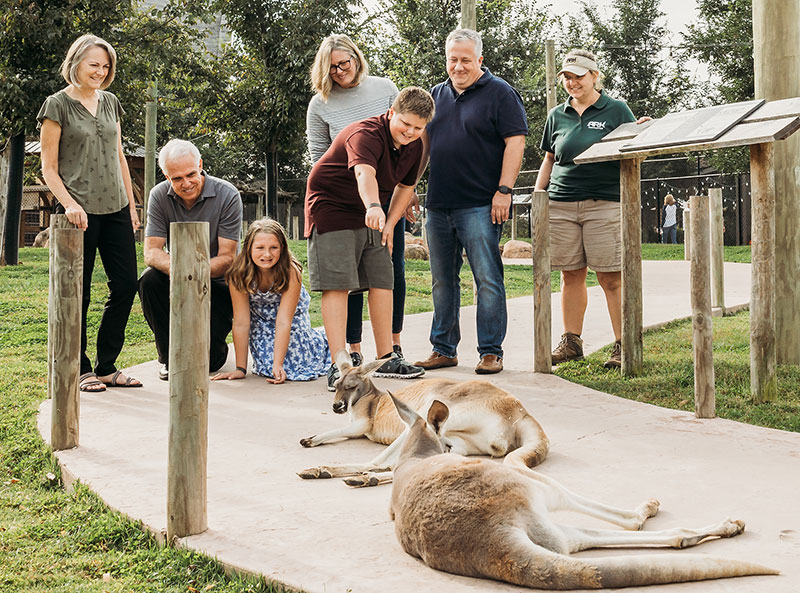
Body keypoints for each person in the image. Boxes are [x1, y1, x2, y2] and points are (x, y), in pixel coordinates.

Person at [304, 86, 434, 391]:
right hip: (332, 206)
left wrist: (389, 223)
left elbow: (405, 187)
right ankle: (339, 364)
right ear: (391, 113)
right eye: (405, 124)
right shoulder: (365, 134)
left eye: (418, 128)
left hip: (372, 211)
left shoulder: (415, 144)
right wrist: (374, 206)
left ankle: (387, 356)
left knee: (382, 279)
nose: (410, 132)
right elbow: (365, 174)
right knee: (338, 284)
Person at [415, 28, 528, 375]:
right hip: (438, 205)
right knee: (442, 280)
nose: (459, 66)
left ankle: (491, 351)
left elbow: (516, 142)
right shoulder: (435, 96)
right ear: (446, 60)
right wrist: (410, 190)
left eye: (466, 59)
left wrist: (504, 191)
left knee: (487, 279)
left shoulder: (500, 93)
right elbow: (423, 148)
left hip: (481, 203)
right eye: (453, 59)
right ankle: (443, 348)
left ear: (480, 59)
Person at [38, 34, 142, 392]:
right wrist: (69, 204)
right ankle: (81, 367)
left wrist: (131, 206)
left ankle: (107, 365)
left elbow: (120, 158)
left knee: (127, 285)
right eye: (93, 64)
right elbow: (48, 169)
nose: (100, 71)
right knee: (77, 292)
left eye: (105, 66)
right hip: (76, 212)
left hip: (116, 208)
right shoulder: (57, 105)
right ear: (76, 63)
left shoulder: (111, 102)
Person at [306, 34, 411, 368]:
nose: (338, 71)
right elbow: (319, 155)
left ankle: (392, 348)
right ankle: (352, 349)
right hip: (342, 199)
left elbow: (404, 141)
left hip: (383, 200)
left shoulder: (384, 88)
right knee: (344, 279)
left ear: (356, 58)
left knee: (389, 272)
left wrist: (394, 202)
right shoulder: (319, 104)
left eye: (343, 63)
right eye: (331, 67)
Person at [534, 49, 641, 369]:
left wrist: (642, 133)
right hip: (561, 205)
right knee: (570, 275)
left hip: (604, 203)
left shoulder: (617, 110)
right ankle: (571, 342)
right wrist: (539, 197)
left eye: (579, 76)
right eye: (567, 76)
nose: (572, 82)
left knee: (611, 277)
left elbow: (633, 150)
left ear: (595, 76)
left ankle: (624, 344)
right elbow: (550, 158)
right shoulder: (557, 115)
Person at [138, 139, 243, 381]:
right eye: (176, 179)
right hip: (176, 278)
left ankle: (213, 347)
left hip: (216, 285)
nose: (186, 183)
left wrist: (193, 272)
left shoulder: (227, 194)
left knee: (208, 362)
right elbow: (151, 251)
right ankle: (167, 356)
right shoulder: (158, 196)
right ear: (166, 175)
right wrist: (182, 270)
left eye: (191, 174)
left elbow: (227, 257)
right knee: (149, 280)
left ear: (200, 165)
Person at [211, 219, 330, 383]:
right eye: (260, 248)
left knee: (295, 365)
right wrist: (240, 368)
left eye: (273, 248)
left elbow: (283, 321)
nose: (267, 254)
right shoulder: (238, 274)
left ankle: (321, 342)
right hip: (261, 323)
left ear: (282, 248)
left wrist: (278, 364)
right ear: (248, 249)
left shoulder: (290, 272)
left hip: (291, 321)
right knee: (266, 367)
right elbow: (241, 322)